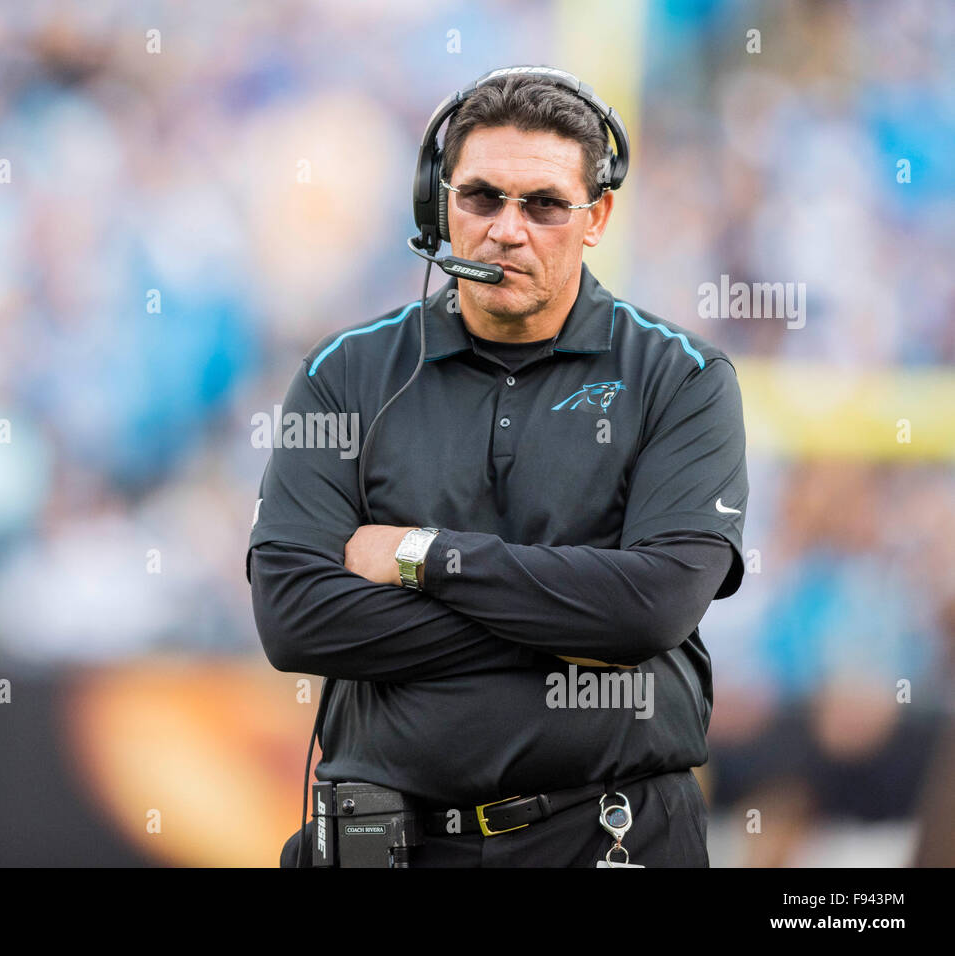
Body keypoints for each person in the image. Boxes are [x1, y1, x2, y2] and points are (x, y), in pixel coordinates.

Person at [247, 67, 748, 867]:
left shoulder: (682, 379)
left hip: (612, 838)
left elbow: (653, 609)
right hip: (394, 844)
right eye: (481, 197)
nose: (507, 229)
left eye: (544, 204)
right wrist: (576, 627)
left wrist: (421, 556)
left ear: (596, 218)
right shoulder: (343, 373)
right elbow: (295, 616)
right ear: (439, 203)